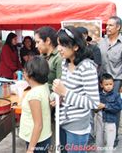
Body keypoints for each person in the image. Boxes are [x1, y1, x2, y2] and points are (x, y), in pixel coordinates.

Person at [52, 27, 100, 153]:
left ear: (76, 47)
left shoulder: (87, 67)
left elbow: (93, 102)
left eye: (63, 45)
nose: (59, 49)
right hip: (62, 120)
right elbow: (69, 90)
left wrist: (65, 93)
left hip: (77, 126)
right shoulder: (65, 63)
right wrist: (59, 97)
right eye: (58, 44)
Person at [19, 56, 51, 153]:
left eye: (25, 71)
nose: (23, 73)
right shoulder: (44, 86)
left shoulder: (34, 95)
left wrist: (30, 149)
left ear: (30, 74)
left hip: (37, 140)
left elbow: (38, 125)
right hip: (43, 137)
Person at [98, 16, 122, 147]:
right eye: (107, 25)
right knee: (101, 107)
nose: (107, 27)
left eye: (111, 25)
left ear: (118, 27)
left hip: (116, 80)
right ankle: (101, 136)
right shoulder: (101, 42)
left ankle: (114, 137)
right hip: (101, 79)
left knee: (114, 108)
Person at [95, 73, 121, 152]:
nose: (109, 86)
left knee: (109, 143)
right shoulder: (98, 95)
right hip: (99, 122)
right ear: (101, 85)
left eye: (111, 84)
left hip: (110, 123)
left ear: (113, 84)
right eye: (106, 84)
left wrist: (105, 106)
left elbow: (118, 107)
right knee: (99, 143)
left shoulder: (116, 95)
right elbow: (94, 107)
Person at [34, 26, 62, 92]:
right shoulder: (42, 56)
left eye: (38, 42)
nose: (36, 46)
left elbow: (60, 86)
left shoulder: (59, 58)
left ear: (48, 41)